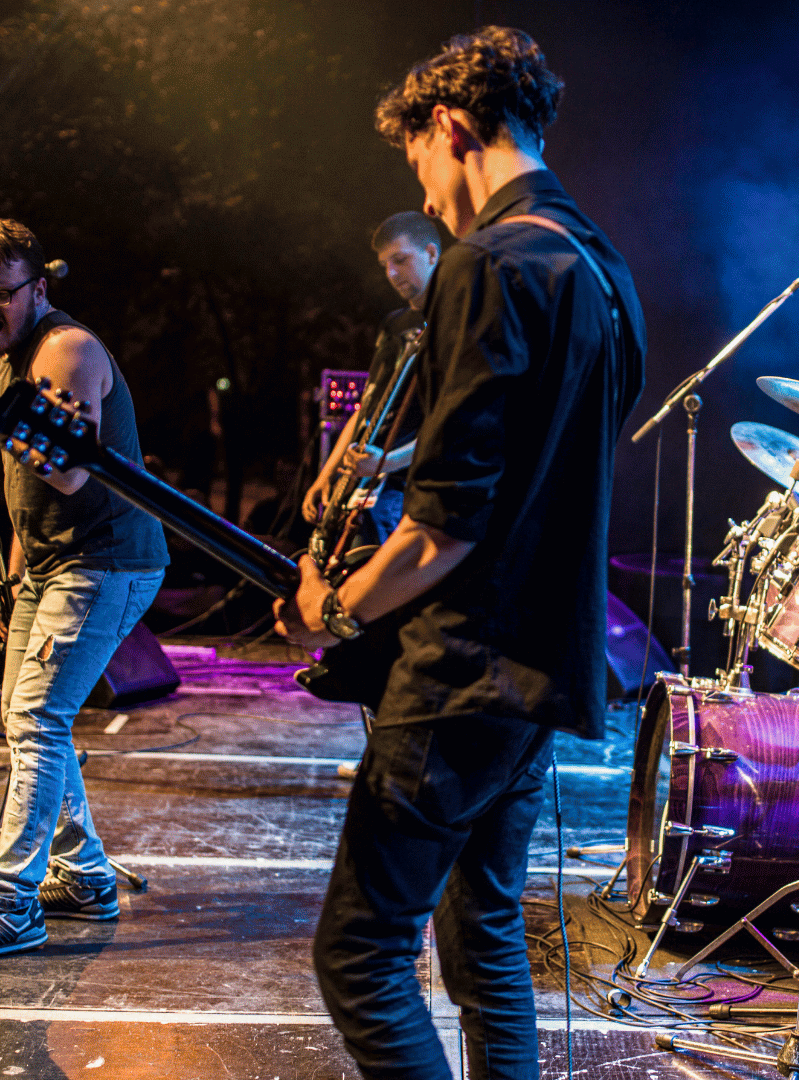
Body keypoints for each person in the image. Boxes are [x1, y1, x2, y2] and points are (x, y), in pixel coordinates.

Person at [275, 27, 645, 1080]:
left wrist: (333, 606)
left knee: (358, 952)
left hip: (462, 667)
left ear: (448, 128)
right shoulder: (601, 265)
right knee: (480, 934)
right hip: (543, 666)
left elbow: (447, 520)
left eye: (421, 170)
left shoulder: (485, 262)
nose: (430, 203)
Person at [0, 217, 168, 961]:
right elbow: (24, 489)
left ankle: (10, 902)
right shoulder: (0, 360)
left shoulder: (67, 349)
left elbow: (66, 470)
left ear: (39, 287)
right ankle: (86, 877)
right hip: (55, 563)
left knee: (34, 718)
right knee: (27, 717)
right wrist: (15, 580)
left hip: (109, 559)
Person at [302, 211, 442, 545]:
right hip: (367, 482)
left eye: (400, 260)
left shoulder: (453, 322)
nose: (392, 274)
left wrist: (386, 462)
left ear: (432, 253)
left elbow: (450, 423)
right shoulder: (394, 325)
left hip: (405, 488)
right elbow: (368, 408)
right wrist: (327, 476)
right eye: (385, 266)